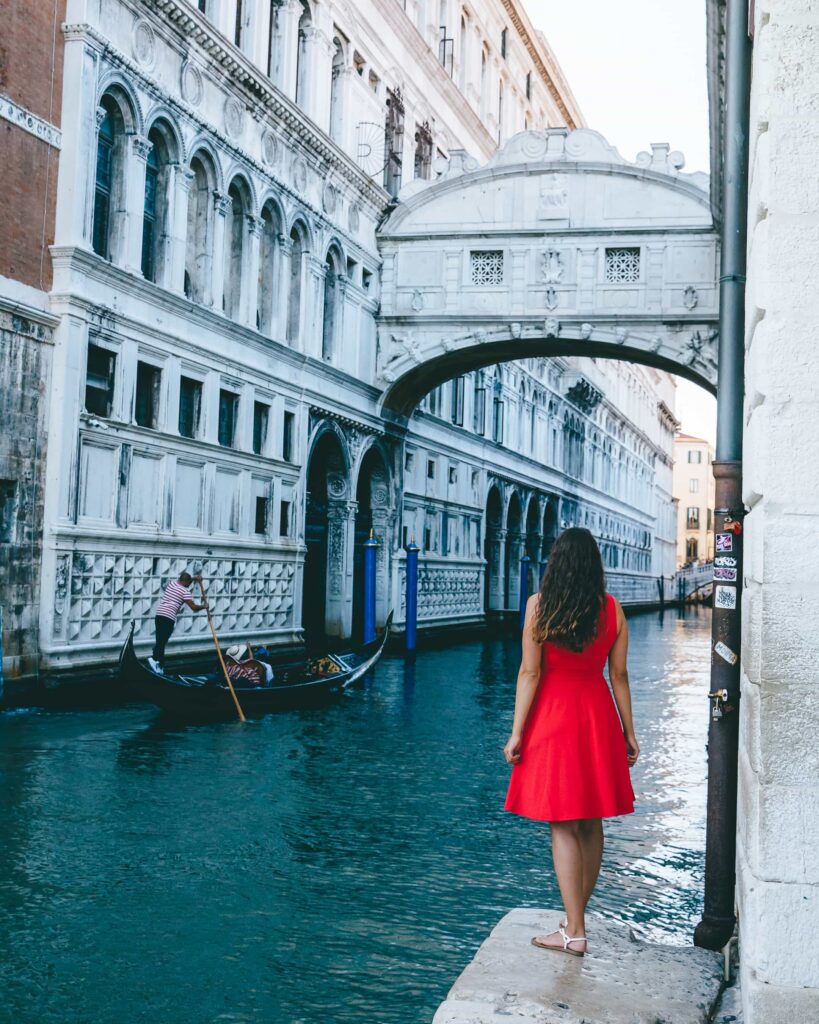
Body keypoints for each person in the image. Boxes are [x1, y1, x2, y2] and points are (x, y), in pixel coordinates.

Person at [503, 528, 639, 958]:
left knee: (562, 821)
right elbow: (618, 675)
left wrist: (516, 732)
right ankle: (575, 918)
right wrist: (629, 732)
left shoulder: (539, 607)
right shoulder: (613, 610)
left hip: (555, 720)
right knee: (591, 821)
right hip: (597, 718)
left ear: (555, 564)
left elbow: (530, 673)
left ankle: (574, 931)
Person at [149, 571, 207, 671]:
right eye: (189, 584)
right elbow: (193, 607)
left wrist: (194, 579)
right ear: (186, 583)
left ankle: (160, 666)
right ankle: (154, 660)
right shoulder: (185, 592)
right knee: (162, 642)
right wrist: (204, 606)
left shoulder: (172, 584)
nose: (189, 586)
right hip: (168, 618)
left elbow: (185, 580)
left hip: (159, 615)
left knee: (160, 641)